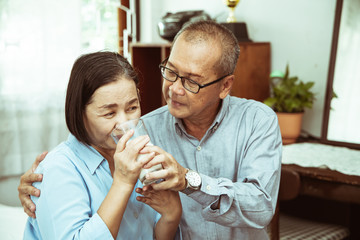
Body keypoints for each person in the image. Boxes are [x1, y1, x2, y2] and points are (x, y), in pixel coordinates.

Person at [19, 20, 282, 239]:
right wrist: (45, 180)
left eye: (191, 81)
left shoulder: (257, 120)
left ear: (225, 86)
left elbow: (260, 208)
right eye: (171, 71)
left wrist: (187, 185)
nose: (175, 89)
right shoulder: (142, 133)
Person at [22, 51, 182, 239]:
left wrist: (171, 216)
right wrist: (122, 183)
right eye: (109, 113)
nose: (123, 124)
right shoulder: (57, 168)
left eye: (132, 108)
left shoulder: (142, 156)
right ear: (79, 112)